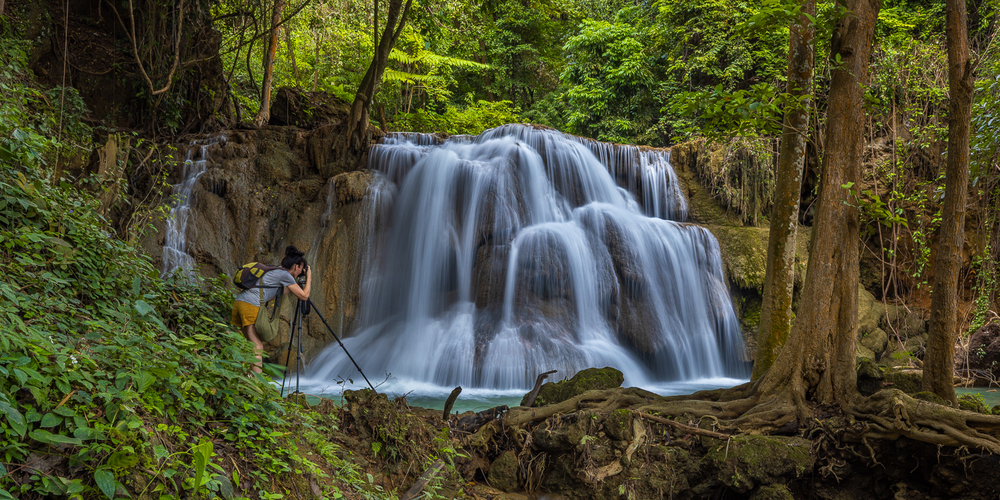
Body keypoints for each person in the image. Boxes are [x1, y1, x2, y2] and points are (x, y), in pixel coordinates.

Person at [230, 245, 312, 374]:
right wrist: (309, 277)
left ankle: (249, 379)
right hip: (250, 304)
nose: (300, 272)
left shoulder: (277, 272)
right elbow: (304, 296)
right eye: (301, 269)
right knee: (258, 347)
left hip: (241, 302)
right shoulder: (284, 275)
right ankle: (257, 385)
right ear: (296, 266)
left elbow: (280, 293)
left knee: (251, 345)